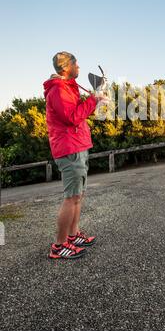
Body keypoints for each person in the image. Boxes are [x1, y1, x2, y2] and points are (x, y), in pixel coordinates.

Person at [43, 51, 109, 260]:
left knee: (78, 196)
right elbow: (72, 117)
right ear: (66, 68)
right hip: (69, 149)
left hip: (78, 146)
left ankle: (72, 236)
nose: (79, 66)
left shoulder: (67, 87)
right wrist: (93, 100)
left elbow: (78, 112)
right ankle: (59, 246)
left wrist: (94, 98)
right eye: (75, 63)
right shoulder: (58, 91)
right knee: (71, 198)